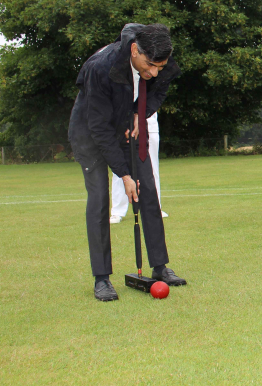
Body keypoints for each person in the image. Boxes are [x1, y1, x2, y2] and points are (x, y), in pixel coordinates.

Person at [68, 23, 187, 301]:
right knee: (99, 198)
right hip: (91, 132)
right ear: (134, 51)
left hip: (127, 126)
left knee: (147, 190)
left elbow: (158, 89)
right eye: (150, 65)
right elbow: (99, 128)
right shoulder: (101, 68)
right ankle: (102, 278)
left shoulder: (158, 62)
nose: (154, 72)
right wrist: (123, 175)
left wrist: (138, 112)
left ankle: (160, 266)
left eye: (160, 65)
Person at [110, 112, 167, 223]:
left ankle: (155, 208)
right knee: (119, 168)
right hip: (123, 125)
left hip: (149, 126)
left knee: (152, 169)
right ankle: (117, 211)